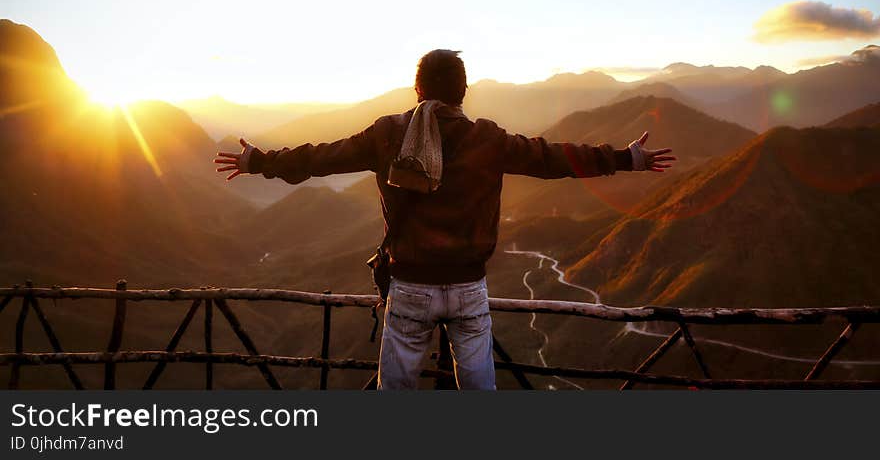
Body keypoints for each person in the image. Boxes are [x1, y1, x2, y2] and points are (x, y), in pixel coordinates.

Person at [213, 49, 675, 389]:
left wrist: (259, 162)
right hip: (468, 287)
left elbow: (322, 157)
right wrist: (624, 159)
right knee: (478, 391)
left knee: (395, 393)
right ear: (463, 92)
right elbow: (550, 158)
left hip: (410, 286)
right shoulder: (487, 139)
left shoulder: (387, 135)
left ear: (417, 91)